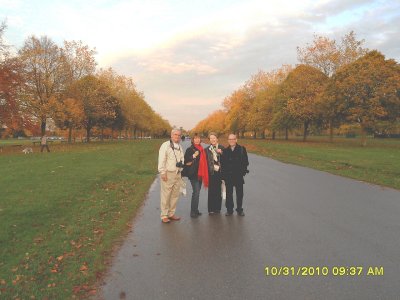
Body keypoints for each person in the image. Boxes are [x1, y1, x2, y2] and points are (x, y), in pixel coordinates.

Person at [158, 129, 184, 223]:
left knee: (175, 195)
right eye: (175, 134)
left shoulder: (180, 146)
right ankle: (164, 215)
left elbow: (181, 159)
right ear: (171, 135)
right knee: (166, 195)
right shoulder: (165, 145)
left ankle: (171, 213)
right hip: (168, 173)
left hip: (177, 173)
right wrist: (162, 172)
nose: (177, 136)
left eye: (179, 135)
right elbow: (162, 159)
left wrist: (181, 168)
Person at [221, 133, 249, 216]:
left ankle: (239, 210)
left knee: (239, 194)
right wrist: (223, 176)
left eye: (233, 139)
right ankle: (229, 210)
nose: (231, 141)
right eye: (230, 139)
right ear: (228, 141)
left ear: (236, 140)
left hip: (238, 176)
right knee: (229, 194)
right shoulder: (225, 151)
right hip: (228, 176)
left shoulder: (241, 149)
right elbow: (223, 164)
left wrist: (242, 172)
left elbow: (246, 162)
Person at [183, 134, 209, 218]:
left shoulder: (202, 149)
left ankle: (196, 210)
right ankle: (193, 212)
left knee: (197, 192)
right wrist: (194, 155)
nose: (197, 140)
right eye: (195, 139)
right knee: (196, 192)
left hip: (201, 173)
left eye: (198, 138)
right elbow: (186, 159)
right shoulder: (190, 149)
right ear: (193, 140)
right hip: (193, 174)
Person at [206, 132, 224, 215]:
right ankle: (211, 209)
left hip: (220, 172)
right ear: (209, 140)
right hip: (211, 172)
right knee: (211, 190)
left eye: (214, 138)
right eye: (211, 138)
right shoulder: (207, 149)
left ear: (217, 139)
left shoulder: (222, 148)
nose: (213, 139)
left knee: (218, 190)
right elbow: (205, 162)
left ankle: (217, 208)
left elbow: (227, 159)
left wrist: (222, 153)